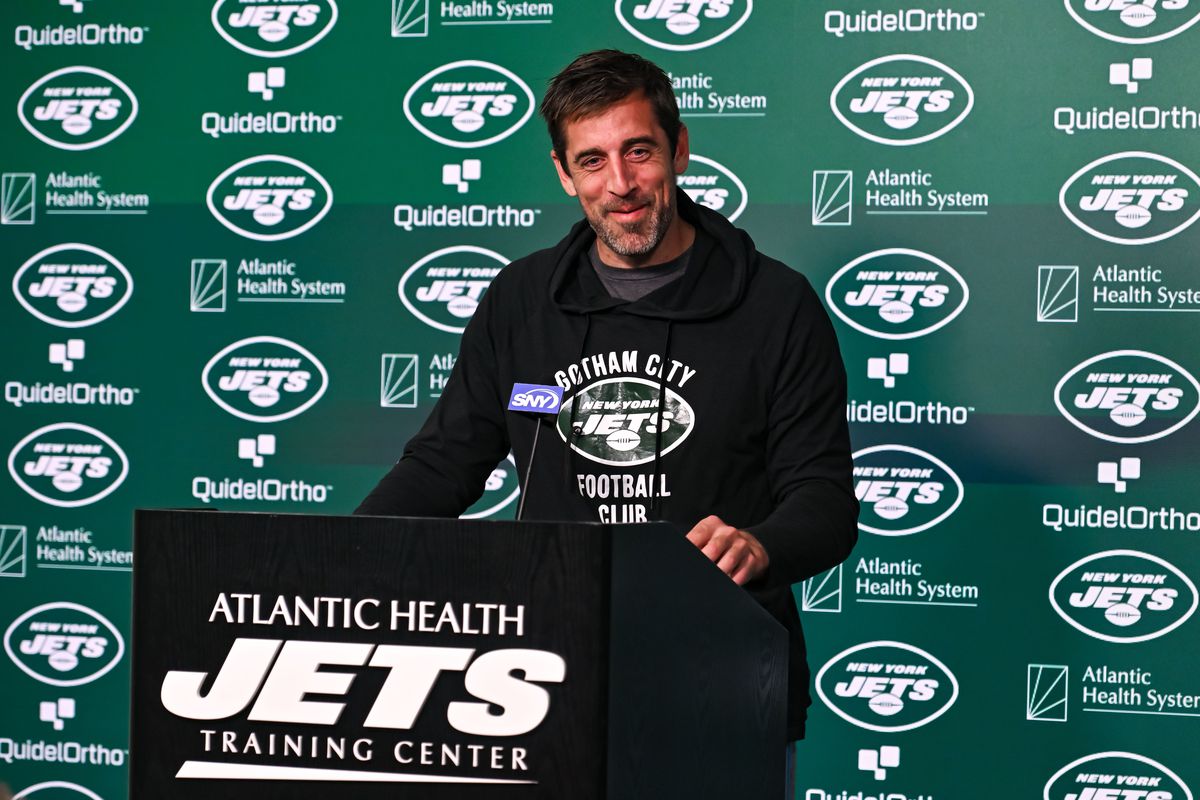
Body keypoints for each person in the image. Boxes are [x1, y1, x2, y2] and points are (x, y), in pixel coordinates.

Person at [357, 49, 858, 781]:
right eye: (591, 161)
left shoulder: (777, 307)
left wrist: (758, 544)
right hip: (539, 679)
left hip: (719, 687)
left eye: (639, 152)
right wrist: (338, 555)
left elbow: (824, 502)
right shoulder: (521, 300)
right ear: (565, 174)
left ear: (679, 149)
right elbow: (442, 465)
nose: (620, 185)